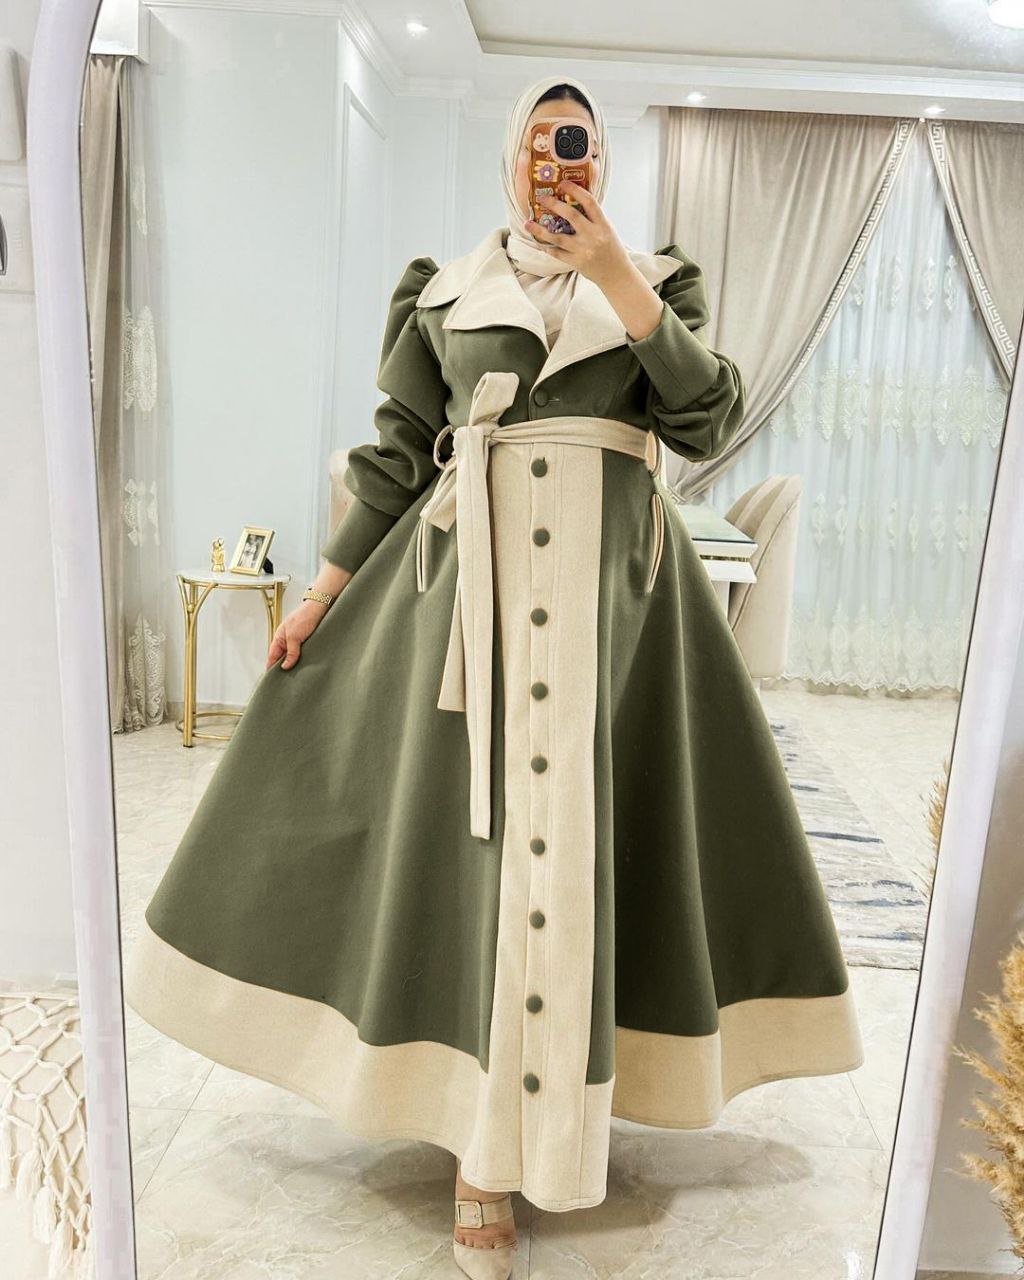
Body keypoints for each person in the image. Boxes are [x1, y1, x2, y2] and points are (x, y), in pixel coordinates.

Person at [125, 74, 864, 1280]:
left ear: (601, 162)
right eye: (536, 144)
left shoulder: (657, 282)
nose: (554, 164)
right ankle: (483, 1148)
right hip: (463, 601)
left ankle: (562, 1110)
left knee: (582, 849)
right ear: (508, 158)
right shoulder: (445, 291)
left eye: (577, 144)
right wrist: (319, 592)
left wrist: (615, 273)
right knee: (478, 855)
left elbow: (704, 419)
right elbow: (394, 453)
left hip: (617, 613)